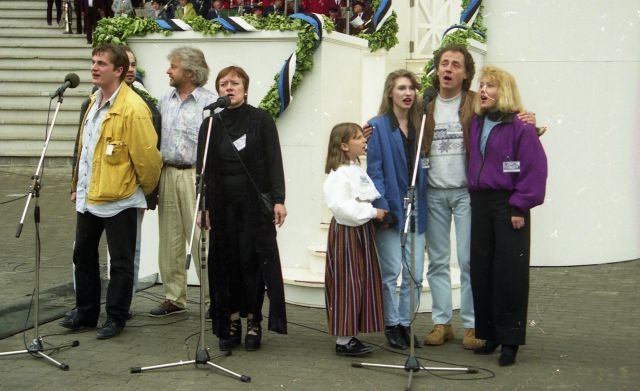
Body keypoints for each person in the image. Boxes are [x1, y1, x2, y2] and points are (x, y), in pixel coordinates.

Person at [421, 43, 537, 350]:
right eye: (444, 63)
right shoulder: (426, 104)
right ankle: (441, 322)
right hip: (433, 191)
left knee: (470, 260)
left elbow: (508, 118)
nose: (448, 69)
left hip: (466, 193)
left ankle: (473, 325)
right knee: (437, 261)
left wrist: (529, 120)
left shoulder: (475, 102)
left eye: (456, 65)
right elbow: (398, 119)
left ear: (466, 74)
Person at [60, 43, 162, 339]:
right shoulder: (93, 101)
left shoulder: (133, 108)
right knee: (84, 256)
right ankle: (86, 312)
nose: (94, 67)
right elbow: (84, 150)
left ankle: (116, 317)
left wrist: (143, 192)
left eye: (101, 63)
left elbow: (148, 159)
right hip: (89, 197)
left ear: (118, 71)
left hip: (121, 199)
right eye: (93, 61)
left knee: (120, 262)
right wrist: (75, 187)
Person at [196, 65, 288, 352]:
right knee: (226, 266)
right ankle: (231, 321)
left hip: (253, 206)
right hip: (223, 207)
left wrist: (279, 199)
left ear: (245, 89)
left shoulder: (260, 120)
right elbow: (203, 170)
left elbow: (274, 161)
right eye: (223, 84)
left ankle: (254, 322)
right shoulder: (210, 124)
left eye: (235, 83)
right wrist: (203, 206)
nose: (229, 88)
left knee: (252, 265)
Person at [467, 65, 547, 367]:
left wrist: (519, 206)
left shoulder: (521, 127)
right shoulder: (477, 122)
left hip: (509, 204)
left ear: (505, 92)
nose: (484, 90)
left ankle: (510, 340)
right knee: (482, 269)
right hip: (481, 202)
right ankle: (489, 335)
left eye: (491, 86)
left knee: (509, 273)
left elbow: (534, 169)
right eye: (482, 85)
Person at [150, 47, 216, 317]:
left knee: (202, 237)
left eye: (174, 67)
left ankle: (215, 300)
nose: (168, 70)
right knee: (170, 238)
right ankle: (174, 297)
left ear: (190, 72)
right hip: (167, 172)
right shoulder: (165, 99)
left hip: (195, 175)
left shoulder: (210, 103)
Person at [366, 69, 427, 350]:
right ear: (390, 92)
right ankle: (391, 323)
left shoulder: (421, 125)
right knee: (391, 272)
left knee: (414, 273)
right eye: (402, 88)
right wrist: (383, 207)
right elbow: (374, 170)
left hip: (416, 209)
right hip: (390, 209)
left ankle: (405, 323)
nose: (408, 93)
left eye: (412, 88)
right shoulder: (377, 126)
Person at [323, 122, 385, 356]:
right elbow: (341, 206)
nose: (363, 141)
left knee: (358, 281)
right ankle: (343, 339)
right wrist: (372, 212)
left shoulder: (354, 168)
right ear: (344, 145)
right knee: (347, 283)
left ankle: (350, 334)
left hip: (359, 232)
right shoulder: (339, 173)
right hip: (348, 233)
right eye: (358, 138)